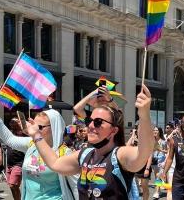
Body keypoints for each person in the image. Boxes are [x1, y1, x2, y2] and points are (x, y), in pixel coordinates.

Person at [24, 84, 153, 199]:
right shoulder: (85, 154)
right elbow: (55, 164)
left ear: (113, 130)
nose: (90, 125)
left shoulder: (119, 155)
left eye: (98, 122)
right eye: (90, 120)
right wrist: (36, 135)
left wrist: (144, 115)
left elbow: (143, 153)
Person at [0, 103, 79, 200]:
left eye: (39, 127)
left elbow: (76, 186)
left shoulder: (65, 153)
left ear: (54, 127)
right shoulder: (32, 144)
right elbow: (10, 140)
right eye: (33, 125)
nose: (34, 129)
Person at [5, 118, 25, 200]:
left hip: (18, 163)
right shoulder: (10, 133)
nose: (12, 122)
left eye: (16, 121)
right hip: (9, 164)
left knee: (13, 185)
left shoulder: (23, 134)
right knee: (11, 186)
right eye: (11, 121)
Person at [151, 126, 167, 199]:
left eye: (156, 130)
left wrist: (161, 150)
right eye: (154, 130)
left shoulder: (163, 141)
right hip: (153, 160)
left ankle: (156, 192)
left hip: (161, 161)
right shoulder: (151, 140)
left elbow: (167, 151)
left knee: (158, 176)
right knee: (156, 176)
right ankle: (160, 188)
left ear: (159, 132)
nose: (155, 131)